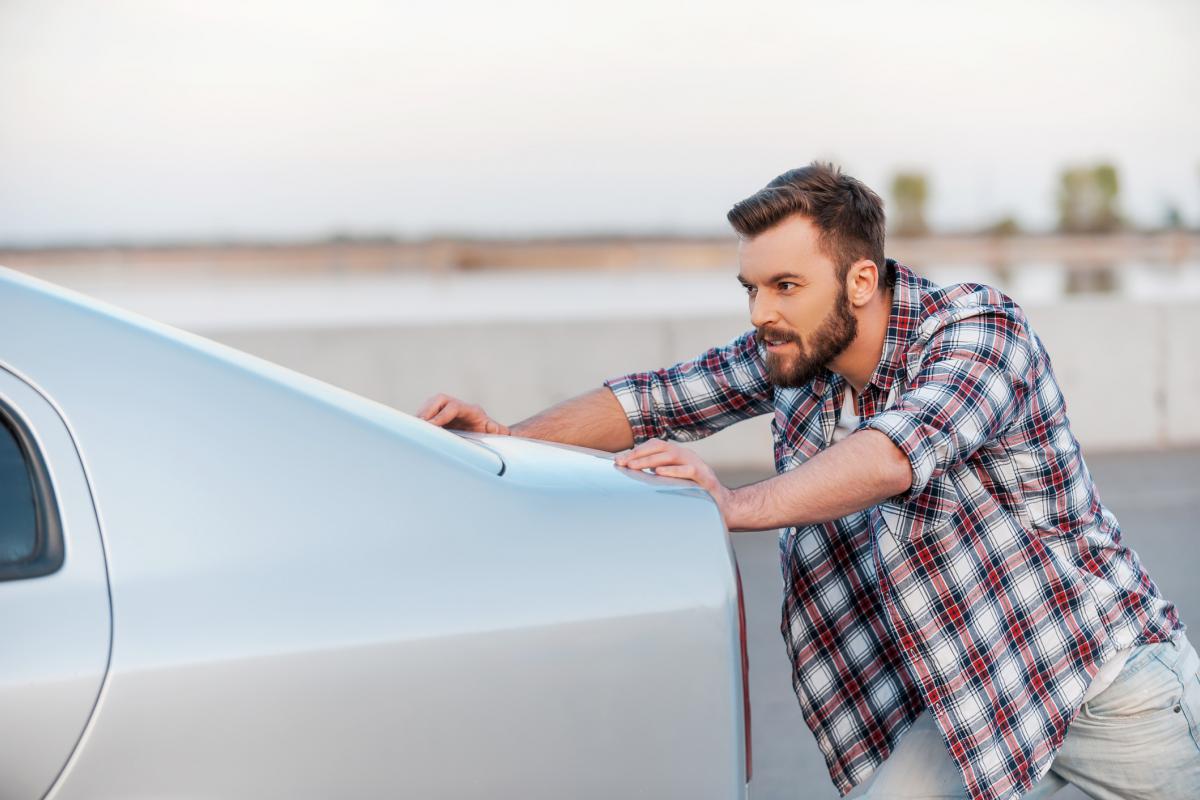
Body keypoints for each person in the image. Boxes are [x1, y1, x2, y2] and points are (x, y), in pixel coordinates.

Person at [417, 163, 1199, 800]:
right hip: (977, 707)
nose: (761, 311)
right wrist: (506, 440)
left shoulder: (979, 332)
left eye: (785, 286)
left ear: (861, 281)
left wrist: (734, 504)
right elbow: (653, 398)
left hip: (1112, 696)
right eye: (751, 288)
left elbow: (892, 454)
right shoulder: (798, 358)